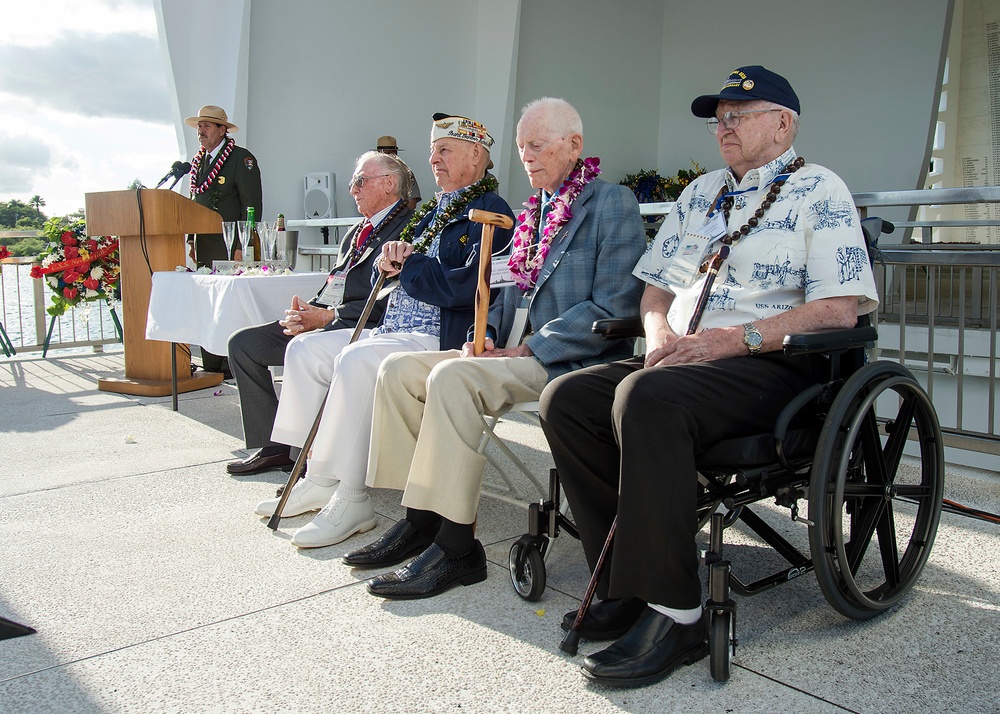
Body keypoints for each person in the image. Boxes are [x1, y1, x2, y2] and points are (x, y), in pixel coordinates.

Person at [538, 66, 880, 688]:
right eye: (717, 118)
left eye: (738, 116)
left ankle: (678, 612)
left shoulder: (820, 191)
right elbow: (656, 288)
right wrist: (660, 332)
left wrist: (734, 339)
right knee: (567, 398)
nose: (723, 127)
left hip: (776, 365)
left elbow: (839, 310)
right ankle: (620, 583)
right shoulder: (700, 194)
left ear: (783, 123)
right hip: (687, 357)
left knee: (646, 397)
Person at [344, 97, 647, 601]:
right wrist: (485, 335)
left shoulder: (610, 203)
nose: (526, 155)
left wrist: (531, 347)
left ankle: (458, 548)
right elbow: (506, 289)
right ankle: (421, 519)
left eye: (538, 144)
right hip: (506, 352)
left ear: (575, 146)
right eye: (521, 146)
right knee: (397, 371)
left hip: (565, 359)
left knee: (451, 379)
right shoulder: (533, 211)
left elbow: (614, 303)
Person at [253, 113, 514, 551]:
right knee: (306, 350)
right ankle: (317, 475)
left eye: (444, 150)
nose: (433, 159)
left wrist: (409, 264)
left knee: (354, 360)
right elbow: (403, 274)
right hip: (395, 327)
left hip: (440, 337)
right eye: (432, 150)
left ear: (476, 154)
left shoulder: (492, 213)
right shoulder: (432, 210)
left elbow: (467, 289)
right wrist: (388, 262)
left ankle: (353, 498)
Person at [225, 151, 414, 476]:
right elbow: (335, 284)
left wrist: (327, 318)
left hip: (359, 327)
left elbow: (387, 300)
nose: (352, 190)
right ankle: (275, 449)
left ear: (389, 183)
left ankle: (304, 456)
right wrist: (307, 311)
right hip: (326, 319)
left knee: (302, 350)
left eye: (359, 181)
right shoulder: (356, 232)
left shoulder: (406, 231)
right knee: (243, 345)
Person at [184, 104, 263, 374]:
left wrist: (243, 245)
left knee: (229, 305)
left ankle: (233, 361)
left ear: (222, 130)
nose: (201, 130)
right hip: (206, 244)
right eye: (199, 126)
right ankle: (212, 363)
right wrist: (192, 241)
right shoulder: (198, 162)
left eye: (207, 125)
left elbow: (252, 205)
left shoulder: (241, 159)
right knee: (209, 303)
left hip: (231, 245)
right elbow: (197, 204)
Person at [376, 135, 422, 209]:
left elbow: (412, 203)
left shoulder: (406, 174)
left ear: (396, 153)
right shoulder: (369, 174)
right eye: (384, 153)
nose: (387, 156)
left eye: (390, 153)